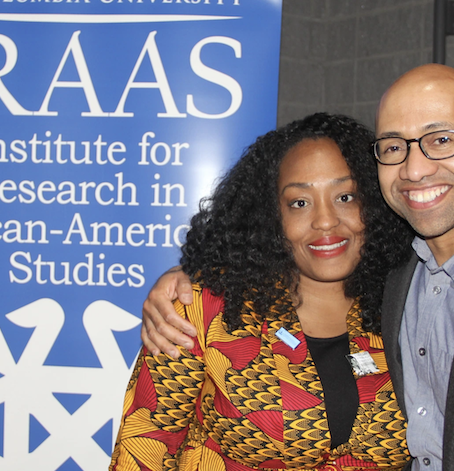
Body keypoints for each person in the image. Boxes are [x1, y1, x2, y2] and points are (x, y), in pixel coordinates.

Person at [141, 64, 454, 471]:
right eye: (396, 147)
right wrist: (183, 279)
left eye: (441, 139)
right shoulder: (403, 280)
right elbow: (144, 450)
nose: (416, 168)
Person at [110, 113, 414, 471]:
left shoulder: (408, 304)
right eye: (299, 203)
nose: (326, 221)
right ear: (271, 216)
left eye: (345, 196)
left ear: (374, 204)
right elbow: (144, 447)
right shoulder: (204, 308)